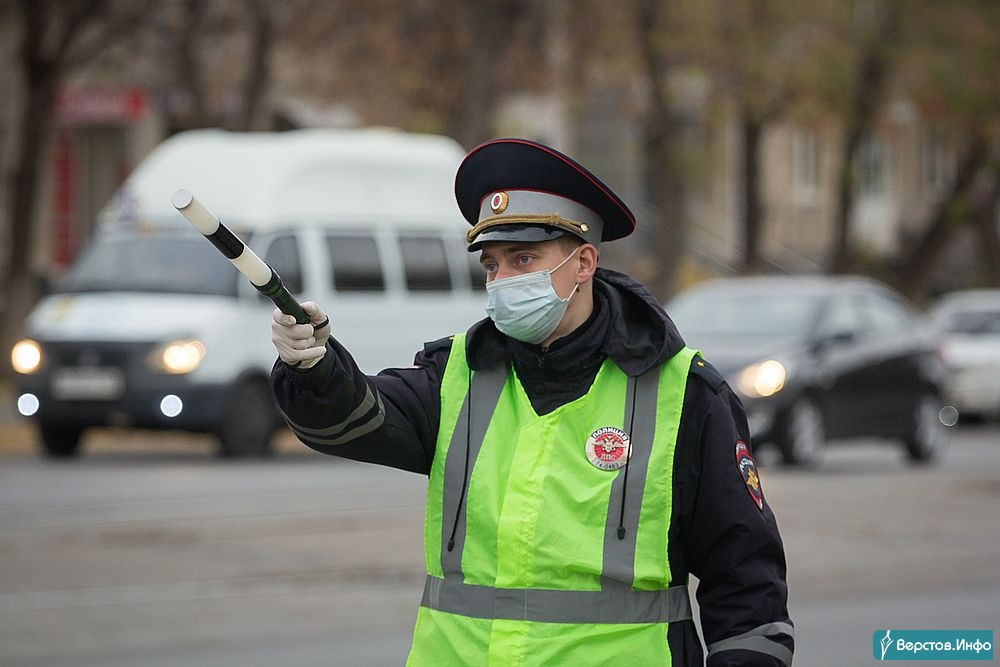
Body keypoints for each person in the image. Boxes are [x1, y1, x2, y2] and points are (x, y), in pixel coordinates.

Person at [270, 138, 794, 666]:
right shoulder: (457, 374)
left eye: (524, 259)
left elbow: (745, 581)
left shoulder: (685, 394)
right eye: (492, 266)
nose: (503, 281)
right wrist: (314, 367)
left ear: (584, 261)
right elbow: (355, 421)